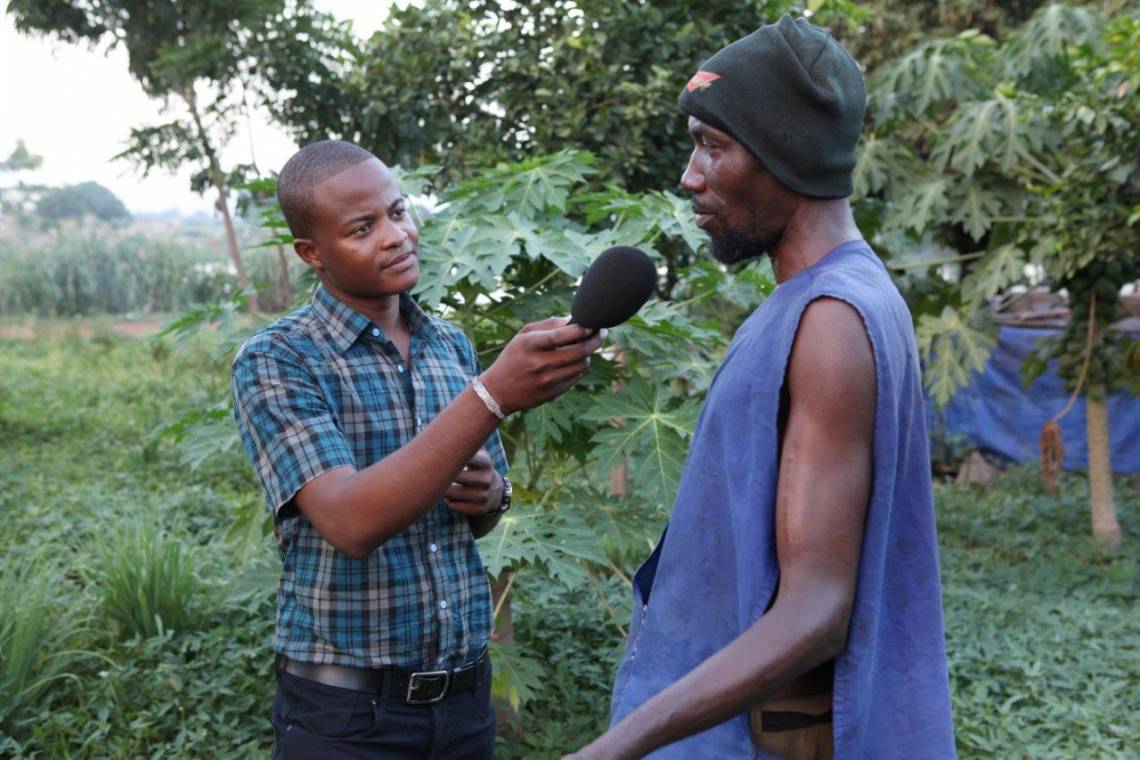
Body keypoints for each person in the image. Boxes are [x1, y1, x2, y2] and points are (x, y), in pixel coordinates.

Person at [568, 15, 955, 760]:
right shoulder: (817, 299)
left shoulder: (833, 318)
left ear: (789, 155)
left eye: (713, 147)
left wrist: (615, 747)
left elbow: (817, 608)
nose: (690, 176)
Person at [231, 139, 603, 759]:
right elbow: (350, 522)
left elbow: (486, 505)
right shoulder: (279, 359)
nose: (394, 236)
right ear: (312, 253)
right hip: (347, 719)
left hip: (463, 704)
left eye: (398, 212)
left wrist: (491, 497)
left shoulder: (448, 346)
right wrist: (492, 396)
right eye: (362, 228)